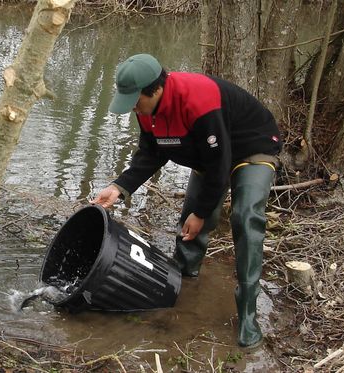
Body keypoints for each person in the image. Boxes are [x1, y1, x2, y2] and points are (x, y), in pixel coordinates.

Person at [91, 54, 282, 348]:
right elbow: (150, 153)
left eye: (135, 100)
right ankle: (181, 277)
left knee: (245, 217)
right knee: (189, 221)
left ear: (154, 90)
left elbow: (220, 167)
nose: (132, 107)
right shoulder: (145, 109)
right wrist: (119, 187)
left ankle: (247, 311)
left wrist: (203, 212)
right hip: (209, 154)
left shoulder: (198, 101)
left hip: (250, 146)